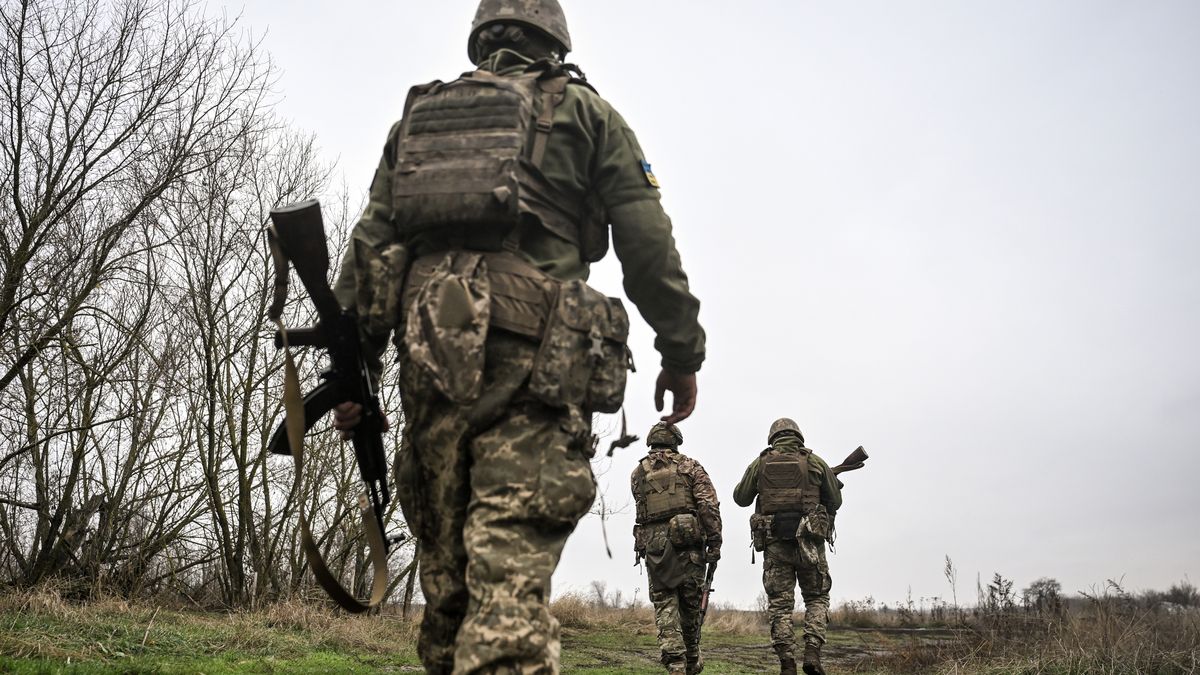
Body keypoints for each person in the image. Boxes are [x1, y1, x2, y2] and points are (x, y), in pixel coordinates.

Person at [330, 1, 706, 672]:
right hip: (534, 360)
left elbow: (368, 251)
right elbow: (647, 243)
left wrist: (353, 368)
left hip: (430, 364)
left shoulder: (417, 120)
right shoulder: (588, 115)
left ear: (482, 38)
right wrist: (680, 352)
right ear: (555, 41)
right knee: (506, 595)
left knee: (447, 589)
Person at [733, 418, 842, 675]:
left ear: (773, 437)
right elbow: (834, 501)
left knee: (780, 606)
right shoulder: (815, 462)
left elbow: (740, 498)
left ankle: (787, 663)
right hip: (810, 544)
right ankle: (813, 653)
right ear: (799, 436)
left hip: (775, 543)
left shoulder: (760, 463)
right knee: (816, 598)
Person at [630, 422, 722, 675]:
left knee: (665, 605)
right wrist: (715, 541)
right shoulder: (690, 466)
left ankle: (675, 664)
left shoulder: (638, 473)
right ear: (675, 441)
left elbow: (643, 510)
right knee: (690, 606)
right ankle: (691, 659)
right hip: (689, 544)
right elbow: (708, 506)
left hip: (655, 547)